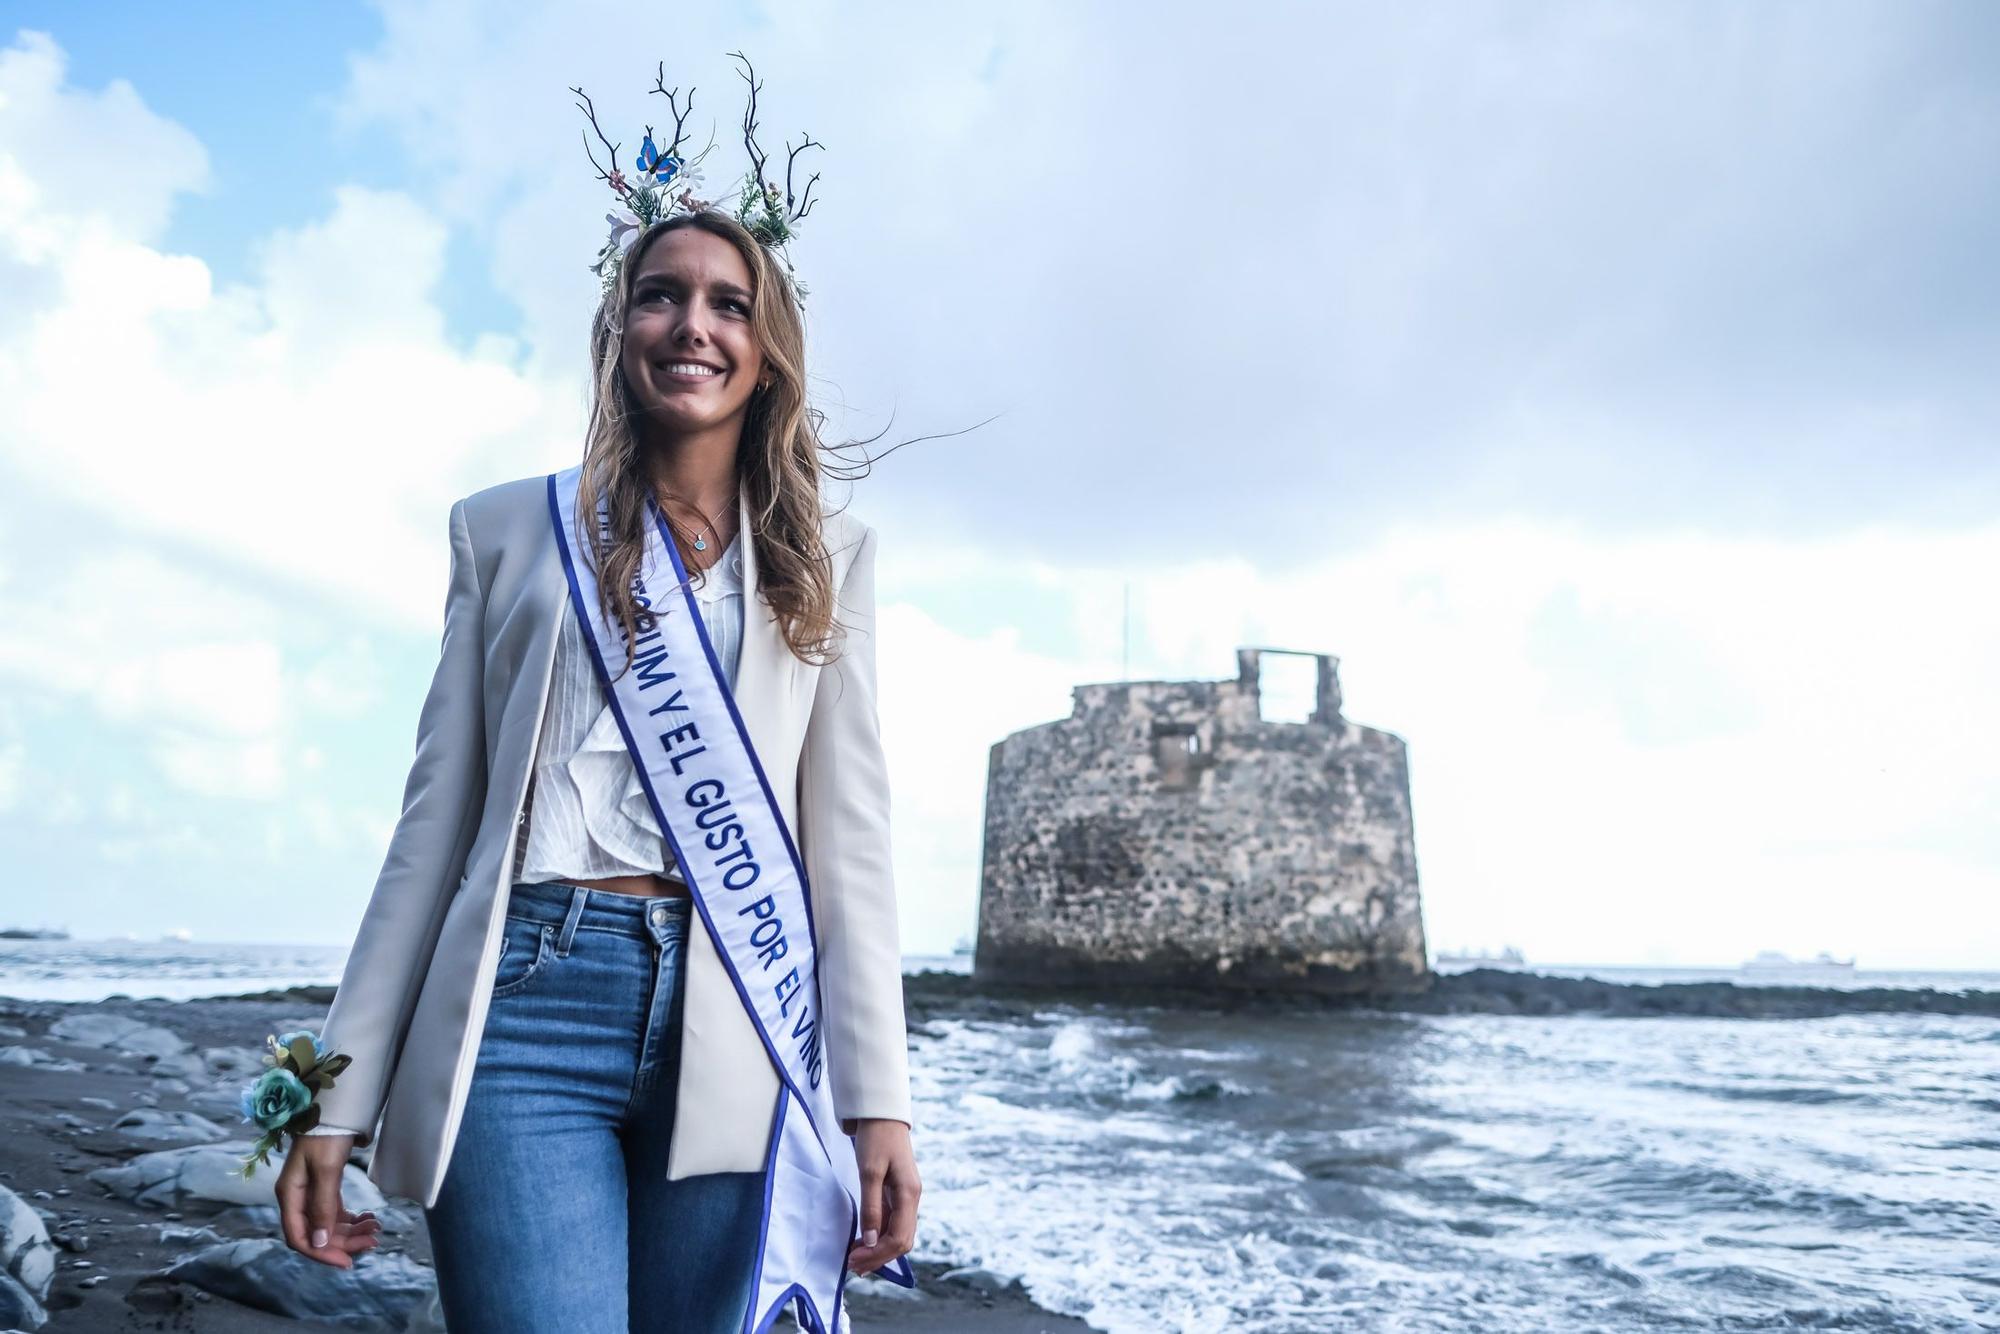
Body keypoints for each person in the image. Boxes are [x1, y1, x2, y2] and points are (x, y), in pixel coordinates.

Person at [271, 155, 921, 1328]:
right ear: (617, 328)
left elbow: (851, 842)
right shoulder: (507, 530)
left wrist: (880, 1101)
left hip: (740, 1019)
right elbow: (431, 830)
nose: (693, 324)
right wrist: (332, 1098)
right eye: (660, 293)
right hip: (524, 1000)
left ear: (767, 347)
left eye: (730, 303)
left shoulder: (829, 552)